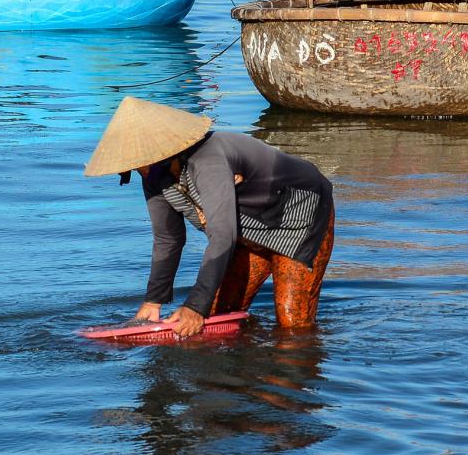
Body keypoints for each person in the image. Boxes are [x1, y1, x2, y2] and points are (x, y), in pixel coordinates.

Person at [85, 97, 336, 337]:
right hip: (249, 232)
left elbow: (222, 236)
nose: (138, 169)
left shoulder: (208, 162)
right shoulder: (153, 175)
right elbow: (168, 239)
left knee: (292, 327)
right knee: (221, 315)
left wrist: (195, 306)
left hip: (297, 219)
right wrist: (154, 301)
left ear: (160, 152)